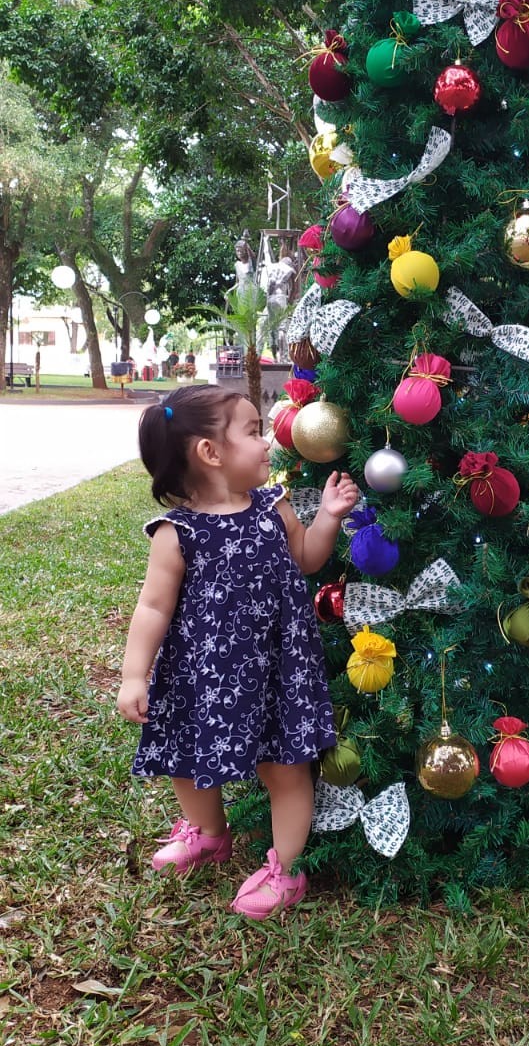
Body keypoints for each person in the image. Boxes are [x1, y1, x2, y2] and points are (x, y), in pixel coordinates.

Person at [117, 385, 359, 920]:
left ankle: (288, 868)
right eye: (253, 432)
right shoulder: (176, 532)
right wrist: (135, 676)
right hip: (203, 674)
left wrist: (329, 517)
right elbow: (153, 609)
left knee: (284, 767)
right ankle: (207, 833)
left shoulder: (274, 506)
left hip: (278, 668)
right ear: (211, 453)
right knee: (187, 755)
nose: (269, 441)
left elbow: (307, 559)